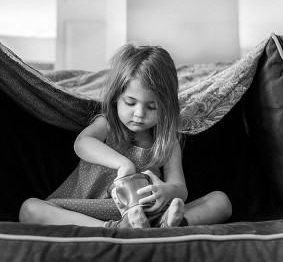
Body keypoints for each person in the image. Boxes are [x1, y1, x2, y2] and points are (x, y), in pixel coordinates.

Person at [19, 44, 232, 228]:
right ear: (116, 98)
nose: (139, 114)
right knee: (30, 208)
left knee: (221, 201)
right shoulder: (108, 124)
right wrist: (124, 164)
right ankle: (117, 228)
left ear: (166, 107)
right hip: (89, 210)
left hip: (147, 212)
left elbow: (180, 189)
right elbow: (82, 143)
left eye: (152, 107)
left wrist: (167, 191)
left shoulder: (166, 141)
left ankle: (166, 225)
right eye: (130, 103)